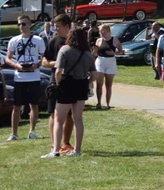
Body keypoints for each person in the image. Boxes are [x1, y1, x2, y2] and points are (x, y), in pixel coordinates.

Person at [45, 27, 96, 158]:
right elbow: (95, 74)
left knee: (59, 119)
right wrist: (87, 80)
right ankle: (77, 150)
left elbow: (58, 71)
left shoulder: (65, 50)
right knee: (78, 119)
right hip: (82, 84)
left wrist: (58, 83)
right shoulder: (88, 54)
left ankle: (55, 150)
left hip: (67, 84)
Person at [6, 15, 46, 141]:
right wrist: (16, 65)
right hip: (19, 77)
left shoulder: (38, 40)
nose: (21, 27)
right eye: (19, 24)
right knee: (17, 106)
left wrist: (37, 65)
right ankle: (14, 133)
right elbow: (7, 58)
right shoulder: (14, 40)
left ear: (29, 25)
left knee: (34, 105)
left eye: (23, 24)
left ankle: (32, 131)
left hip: (33, 77)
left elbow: (44, 57)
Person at [42, 14, 76, 153]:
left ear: (67, 26)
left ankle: (66, 143)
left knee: (70, 115)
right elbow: (44, 62)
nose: (55, 29)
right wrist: (58, 64)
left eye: (58, 26)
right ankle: (54, 144)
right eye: (54, 26)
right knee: (53, 114)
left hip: (72, 80)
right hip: (55, 79)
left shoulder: (75, 41)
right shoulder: (53, 41)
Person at [94, 24, 124, 110]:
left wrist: (114, 53)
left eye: (102, 32)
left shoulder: (115, 40)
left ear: (108, 31)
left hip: (111, 61)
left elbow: (121, 51)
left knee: (108, 84)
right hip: (100, 61)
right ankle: (99, 102)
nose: (101, 34)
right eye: (100, 32)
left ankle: (107, 104)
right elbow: (95, 53)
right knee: (99, 83)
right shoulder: (98, 41)